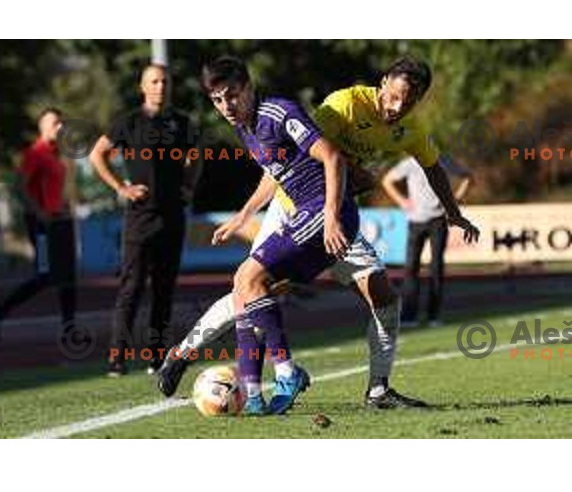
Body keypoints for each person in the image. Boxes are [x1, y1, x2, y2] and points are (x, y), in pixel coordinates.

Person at [158, 56, 480, 409]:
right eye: (395, 95)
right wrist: (247, 213)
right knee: (248, 287)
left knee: (384, 298)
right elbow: (296, 159)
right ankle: (200, 360)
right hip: (296, 207)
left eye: (410, 100)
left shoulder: (411, 129)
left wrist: (454, 213)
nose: (398, 106)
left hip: (332, 213)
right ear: (384, 82)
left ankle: (377, 390)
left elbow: (433, 169)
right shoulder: (343, 105)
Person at [198, 55, 359, 416]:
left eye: (232, 95)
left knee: (248, 276)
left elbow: (333, 158)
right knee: (244, 292)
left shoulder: (278, 113)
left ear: (249, 88)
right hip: (304, 213)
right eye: (217, 100)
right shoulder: (245, 127)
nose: (226, 106)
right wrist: (242, 216)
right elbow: (274, 172)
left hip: (325, 210)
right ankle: (253, 395)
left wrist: (331, 216)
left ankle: (287, 373)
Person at [89, 64, 196, 377]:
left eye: (165, 81)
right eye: (154, 81)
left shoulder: (182, 123)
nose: (160, 86)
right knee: (132, 287)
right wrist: (121, 187)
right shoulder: (129, 122)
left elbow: (195, 159)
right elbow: (97, 154)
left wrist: (187, 186)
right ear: (143, 86)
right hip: (139, 218)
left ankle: (156, 358)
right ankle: (116, 359)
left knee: (164, 290)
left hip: (172, 217)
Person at [0, 108, 77, 341]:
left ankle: (69, 329)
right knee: (44, 275)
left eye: (61, 123)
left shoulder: (57, 155)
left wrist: (64, 207)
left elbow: (55, 190)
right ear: (42, 127)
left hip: (60, 222)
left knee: (68, 276)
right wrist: (39, 212)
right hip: (41, 224)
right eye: (55, 123)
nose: (60, 128)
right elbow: (19, 186)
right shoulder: (35, 153)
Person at [382, 155, 472, 327]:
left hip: (438, 220)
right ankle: (409, 316)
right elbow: (387, 180)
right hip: (415, 221)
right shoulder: (409, 163)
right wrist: (402, 201)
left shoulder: (444, 161)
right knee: (411, 268)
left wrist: (455, 199)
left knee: (436, 267)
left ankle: (433, 316)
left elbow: (467, 176)